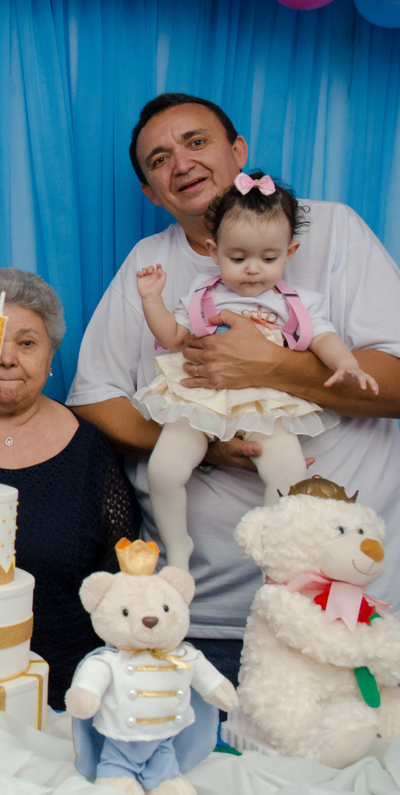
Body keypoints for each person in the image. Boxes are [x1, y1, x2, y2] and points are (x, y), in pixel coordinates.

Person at [68, 93, 400, 684]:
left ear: (238, 152)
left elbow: (396, 383)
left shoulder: (332, 231)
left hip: (342, 610)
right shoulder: (152, 263)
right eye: (159, 159)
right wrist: (205, 440)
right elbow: (94, 401)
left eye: (197, 142)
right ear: (152, 192)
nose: (182, 163)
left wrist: (269, 367)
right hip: (192, 619)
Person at [134, 172, 378, 570]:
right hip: (201, 397)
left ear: (290, 252)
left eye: (268, 259)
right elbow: (172, 335)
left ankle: (272, 555)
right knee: (164, 468)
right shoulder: (202, 295)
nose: (252, 270)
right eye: (238, 257)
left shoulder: (298, 304)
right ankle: (178, 549)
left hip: (265, 403)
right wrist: (151, 301)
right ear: (214, 251)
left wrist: (346, 362)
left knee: (289, 470)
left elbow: (324, 337)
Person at [0, 268, 140, 710]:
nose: (7, 359)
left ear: (50, 356)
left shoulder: (91, 452)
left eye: (26, 343)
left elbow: (120, 583)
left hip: (60, 696)